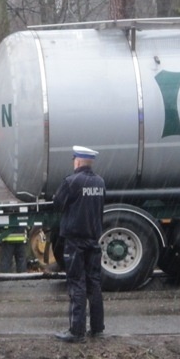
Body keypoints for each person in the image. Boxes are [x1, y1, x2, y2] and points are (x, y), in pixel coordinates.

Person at [52, 145, 106, 343]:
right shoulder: (100, 182)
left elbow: (57, 204)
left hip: (75, 240)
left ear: (77, 161)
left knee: (77, 284)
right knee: (94, 284)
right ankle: (98, 327)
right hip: (93, 239)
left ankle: (76, 331)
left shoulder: (71, 182)